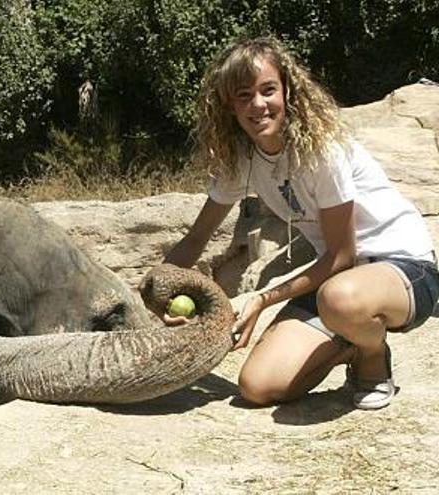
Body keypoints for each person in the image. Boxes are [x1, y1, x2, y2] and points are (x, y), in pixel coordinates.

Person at [163, 37, 439, 409]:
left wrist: (261, 299)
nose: (257, 104)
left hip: (402, 267)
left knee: (340, 298)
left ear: (288, 92)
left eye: (268, 90)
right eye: (243, 95)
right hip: (339, 282)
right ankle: (350, 346)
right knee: (257, 386)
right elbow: (196, 239)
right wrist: (152, 295)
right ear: (228, 105)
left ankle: (373, 357)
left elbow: (341, 256)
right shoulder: (240, 159)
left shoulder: (321, 150)